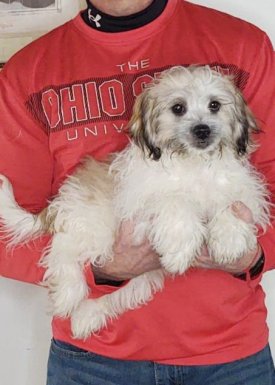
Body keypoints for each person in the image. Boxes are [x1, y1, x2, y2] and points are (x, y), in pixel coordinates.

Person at [0, 0, 275, 384]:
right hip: (93, 359)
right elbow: (5, 231)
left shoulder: (244, 44)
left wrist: (255, 254)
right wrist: (101, 270)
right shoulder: (27, 73)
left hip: (231, 356)